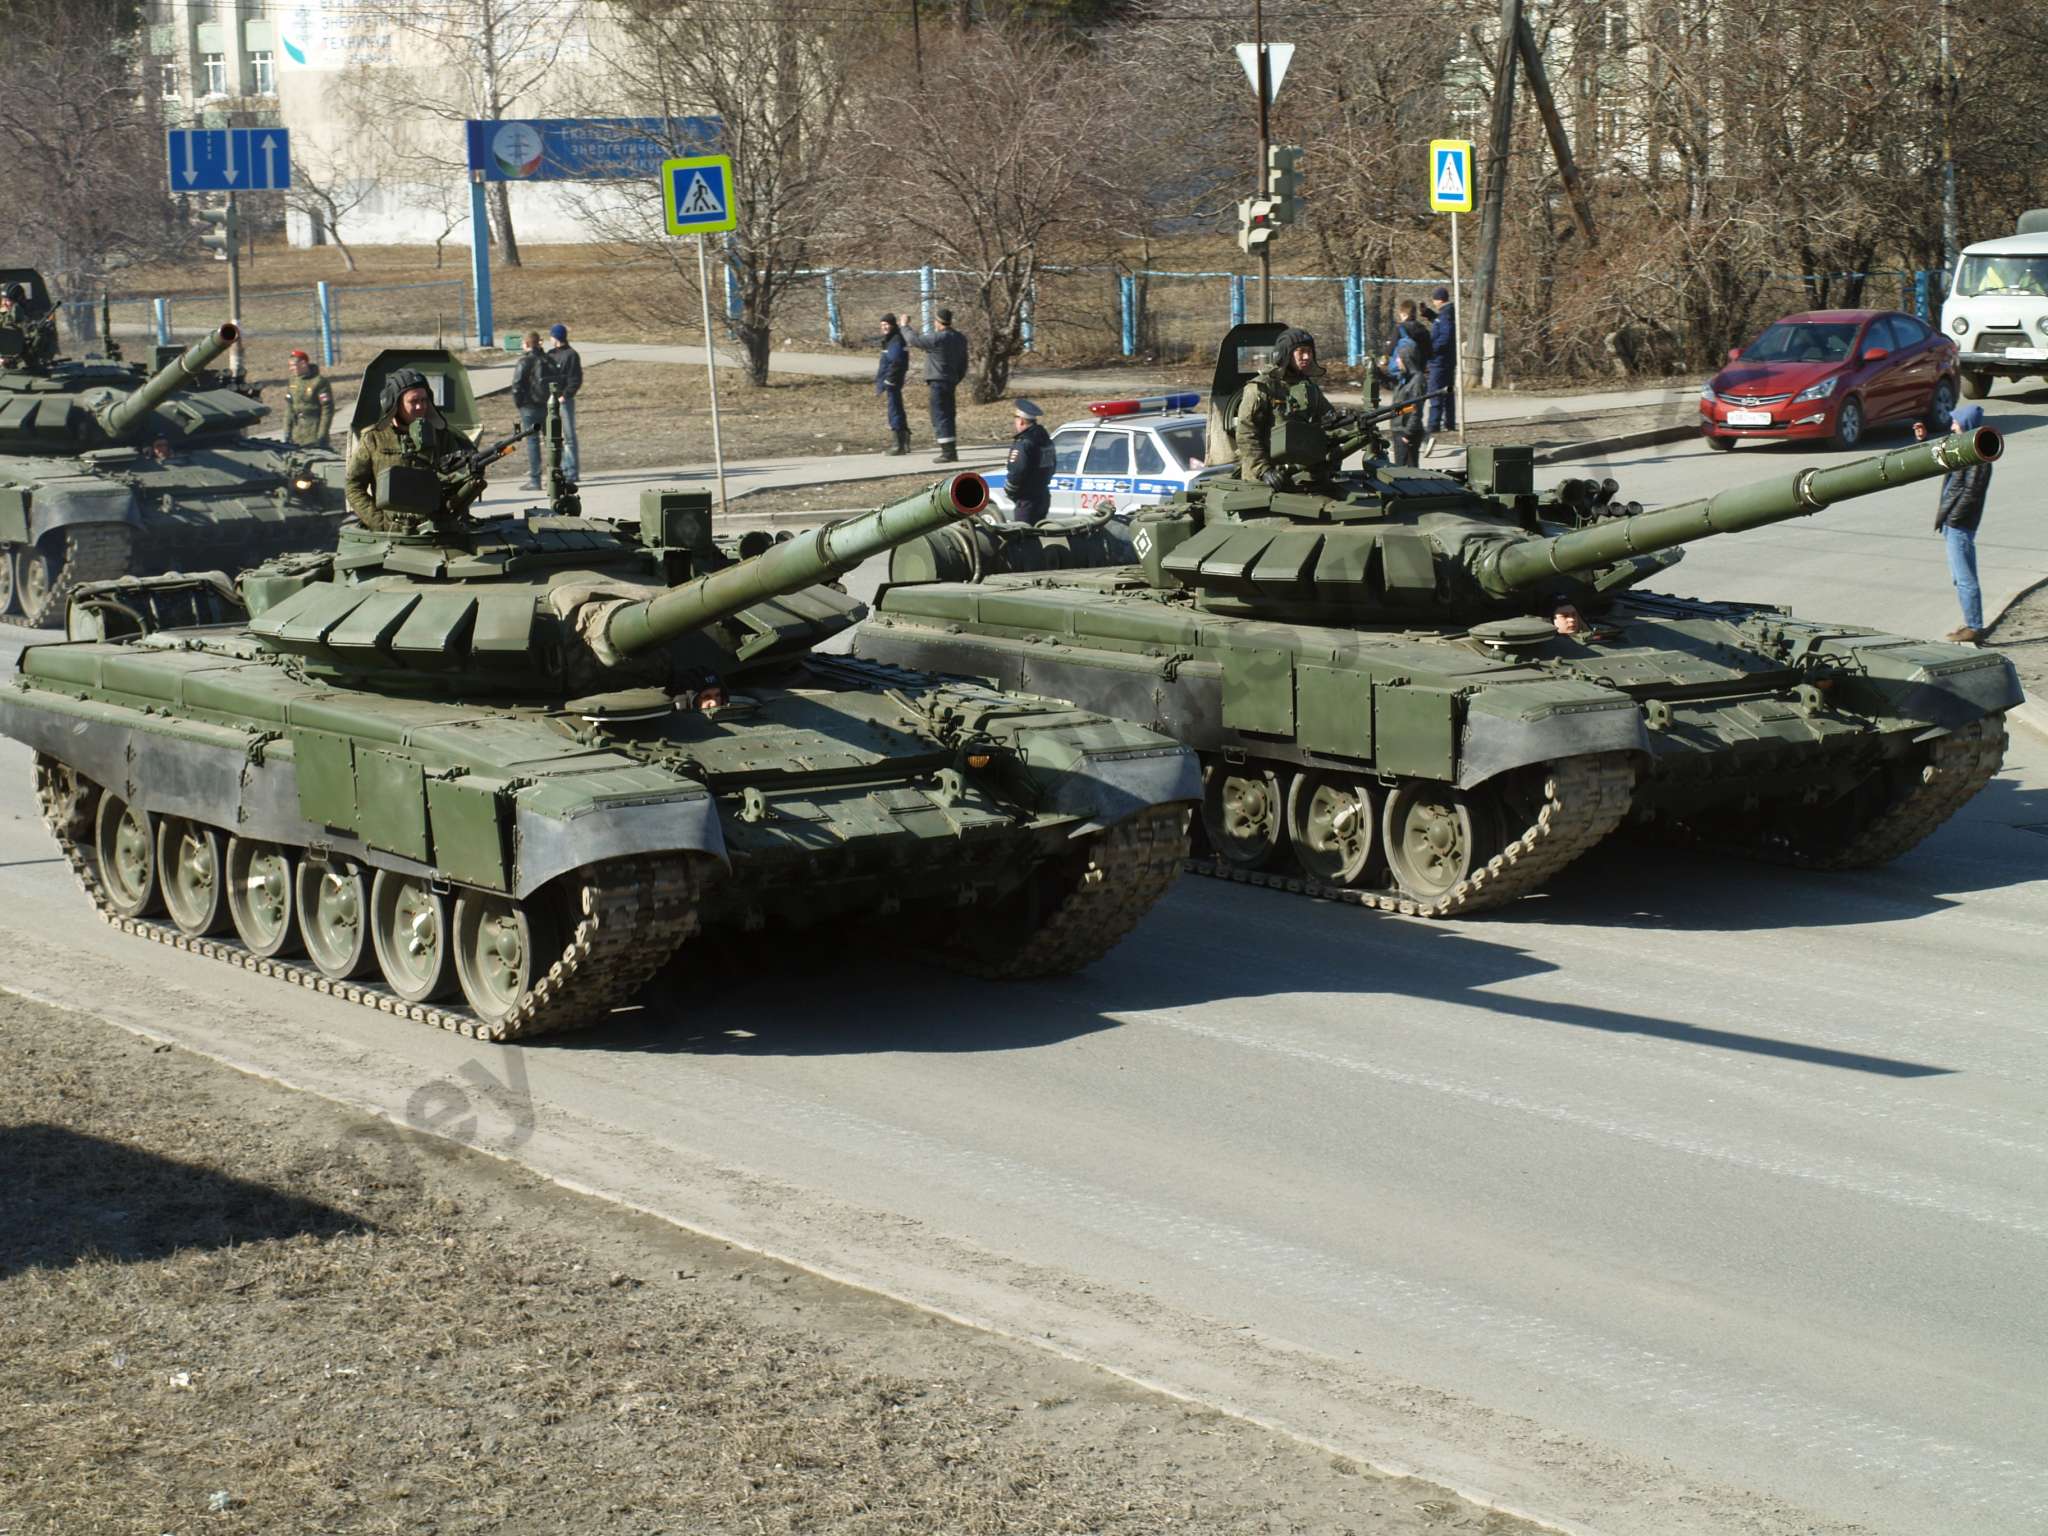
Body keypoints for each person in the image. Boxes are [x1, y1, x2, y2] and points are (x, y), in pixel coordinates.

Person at [344, 368, 482, 533]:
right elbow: (353, 485)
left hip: (440, 531)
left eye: (424, 400)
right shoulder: (374, 439)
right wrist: (379, 522)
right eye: (413, 401)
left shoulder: (443, 435)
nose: (420, 406)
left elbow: (466, 474)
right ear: (394, 403)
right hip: (394, 535)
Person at [1234, 327, 1353, 489]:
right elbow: (1246, 433)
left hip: (1303, 475)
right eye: (1301, 351)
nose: (1307, 357)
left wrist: (1348, 423)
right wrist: (1264, 470)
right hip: (1264, 482)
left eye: (1310, 352)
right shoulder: (1261, 388)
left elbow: (1329, 424)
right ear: (1285, 353)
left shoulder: (1310, 389)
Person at [1918, 403, 1992, 643]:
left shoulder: (1978, 456)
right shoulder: (1962, 448)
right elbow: (1935, 456)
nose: (1952, 426)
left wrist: (1953, 519)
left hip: (1959, 524)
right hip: (1954, 524)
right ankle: (1971, 624)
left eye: (1956, 423)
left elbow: (1971, 494)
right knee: (1959, 577)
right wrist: (1923, 439)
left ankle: (1974, 627)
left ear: (1966, 425)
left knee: (1965, 577)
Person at [899, 308, 968, 463]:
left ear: (938, 322)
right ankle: (951, 449)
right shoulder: (960, 338)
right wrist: (956, 378)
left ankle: (948, 453)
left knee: (940, 415)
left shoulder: (937, 338)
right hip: (951, 382)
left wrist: (904, 326)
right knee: (949, 415)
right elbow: (964, 363)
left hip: (938, 382)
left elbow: (914, 340)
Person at [1383, 303, 1429, 468]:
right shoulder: (1404, 378)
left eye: (1399, 359)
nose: (1396, 361)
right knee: (1399, 469)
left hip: (1406, 433)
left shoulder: (1416, 381)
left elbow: (1415, 409)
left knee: (1407, 470)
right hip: (1399, 428)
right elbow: (1400, 402)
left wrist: (1408, 434)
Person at [1004, 399, 1056, 524]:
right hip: (1043, 495)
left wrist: (1011, 490)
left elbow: (1017, 470)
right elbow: (1052, 466)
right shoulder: (1045, 440)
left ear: (1021, 420)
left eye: (1015, 418)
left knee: (1024, 537)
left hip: (1027, 499)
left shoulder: (1024, 443)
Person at [510, 331, 550, 489]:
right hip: (547, 406)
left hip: (529, 407)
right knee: (552, 442)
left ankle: (535, 480)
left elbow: (516, 386)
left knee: (533, 441)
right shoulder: (548, 359)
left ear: (526, 344)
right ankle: (555, 476)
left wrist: (519, 404)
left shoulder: (524, 362)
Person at [543, 323, 582, 482]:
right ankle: (562, 469)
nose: (550, 339)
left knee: (569, 436)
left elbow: (576, 378)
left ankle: (572, 472)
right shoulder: (550, 354)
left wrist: (565, 395)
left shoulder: (571, 355)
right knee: (556, 437)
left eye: (551, 336)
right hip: (551, 401)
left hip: (564, 401)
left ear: (557, 337)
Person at [284, 349, 335, 450]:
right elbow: (289, 408)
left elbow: (327, 410)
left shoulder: (319, 382)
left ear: (303, 363)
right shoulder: (293, 381)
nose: (291, 369)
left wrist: (322, 435)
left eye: (293, 365)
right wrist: (287, 431)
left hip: (314, 432)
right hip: (297, 433)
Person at [874, 313, 910, 455]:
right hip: (891, 380)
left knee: (894, 410)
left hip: (893, 380)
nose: (884, 327)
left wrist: (889, 379)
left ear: (893, 325)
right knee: (897, 408)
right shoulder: (889, 339)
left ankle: (898, 445)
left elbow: (897, 362)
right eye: (882, 325)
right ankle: (904, 441)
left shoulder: (895, 339)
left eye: (887, 324)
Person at [1425, 285, 1457, 439]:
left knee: (1436, 391)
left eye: (1434, 299)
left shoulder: (1445, 316)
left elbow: (1445, 335)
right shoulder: (1446, 313)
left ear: (1439, 300)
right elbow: (1440, 323)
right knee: (1448, 390)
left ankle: (1434, 423)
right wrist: (1429, 315)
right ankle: (1450, 422)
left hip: (1440, 362)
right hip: (1447, 361)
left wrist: (1431, 349)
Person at [0, 282, 55, 369]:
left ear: (18, 301)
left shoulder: (35, 318)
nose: (4, 303)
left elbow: (38, 351)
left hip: (27, 367)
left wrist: (39, 334)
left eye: (8, 300)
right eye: (3, 300)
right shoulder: (3, 316)